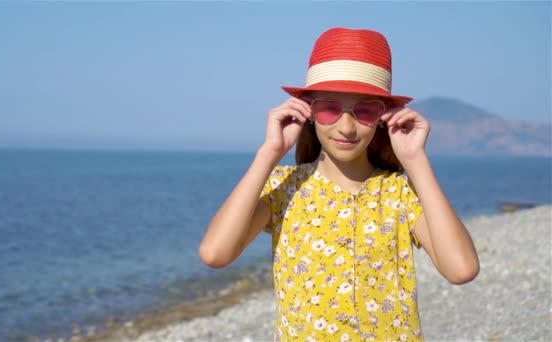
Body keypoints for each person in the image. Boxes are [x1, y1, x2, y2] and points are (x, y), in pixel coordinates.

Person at [199, 27, 479, 341]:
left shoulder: (399, 193)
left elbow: (461, 269)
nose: (346, 127)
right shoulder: (284, 188)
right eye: (329, 108)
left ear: (383, 116)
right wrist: (270, 153)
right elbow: (216, 254)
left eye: (365, 110)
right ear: (308, 111)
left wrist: (416, 160)